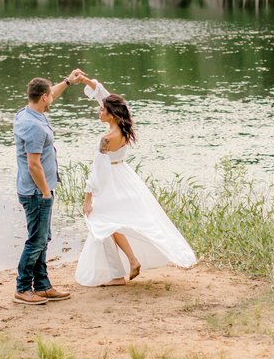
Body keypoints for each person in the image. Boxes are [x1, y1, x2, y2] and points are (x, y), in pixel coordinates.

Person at [74, 76, 196, 286]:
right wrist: (85, 79)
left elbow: (97, 172)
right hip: (125, 178)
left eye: (102, 110)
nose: (98, 111)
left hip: (111, 182)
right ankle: (127, 264)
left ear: (111, 115)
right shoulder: (122, 127)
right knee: (110, 225)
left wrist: (88, 198)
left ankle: (123, 269)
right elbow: (106, 97)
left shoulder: (106, 139)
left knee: (103, 223)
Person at [12, 69, 85, 305]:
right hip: (36, 192)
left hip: (37, 190)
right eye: (49, 95)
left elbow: (50, 92)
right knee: (36, 240)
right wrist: (45, 192)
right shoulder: (34, 126)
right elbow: (34, 164)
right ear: (43, 98)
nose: (51, 97)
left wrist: (67, 82)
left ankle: (42, 286)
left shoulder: (27, 113)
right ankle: (23, 288)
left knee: (43, 238)